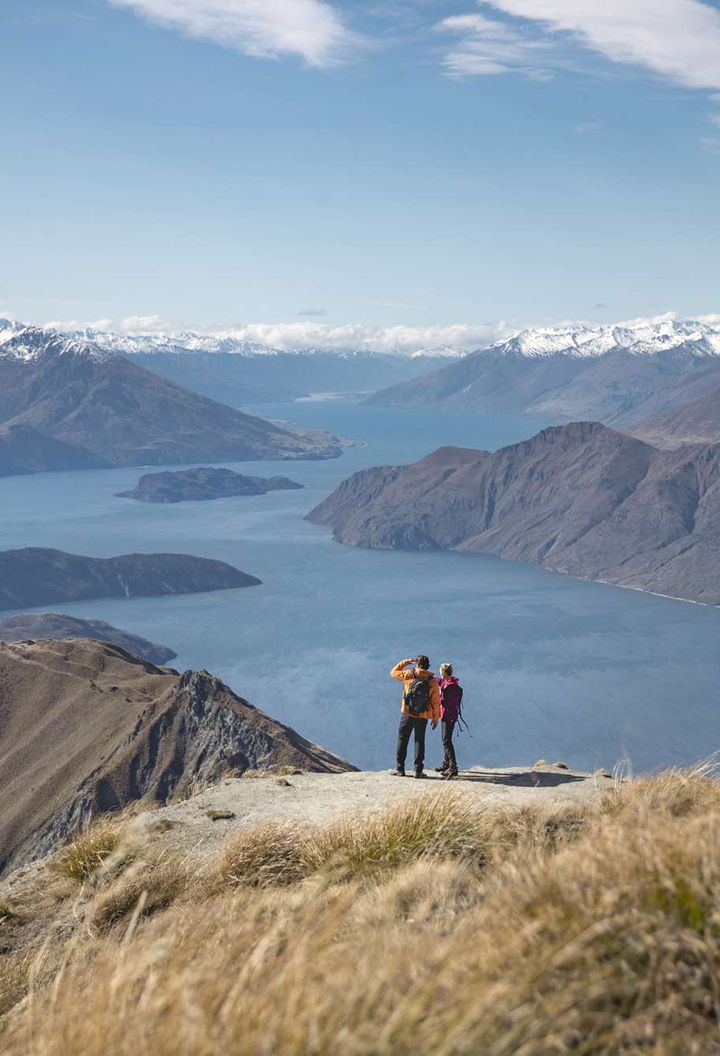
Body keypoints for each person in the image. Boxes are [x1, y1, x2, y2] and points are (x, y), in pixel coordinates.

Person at [390, 655, 440, 779]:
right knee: (419, 741)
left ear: (417, 664)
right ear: (428, 666)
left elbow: (393, 672)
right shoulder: (432, 680)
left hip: (408, 712)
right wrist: (435, 717)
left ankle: (400, 769)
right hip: (423, 715)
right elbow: (435, 701)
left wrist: (406, 662)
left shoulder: (408, 674)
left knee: (403, 739)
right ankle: (418, 770)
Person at [435, 663, 463, 779]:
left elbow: (446, 702)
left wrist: (438, 698)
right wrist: (428, 676)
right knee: (445, 739)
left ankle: (453, 766)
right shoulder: (447, 682)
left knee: (446, 740)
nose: (440, 674)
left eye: (441, 672)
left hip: (449, 716)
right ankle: (447, 763)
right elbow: (439, 681)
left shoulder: (450, 687)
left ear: (444, 673)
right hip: (447, 715)